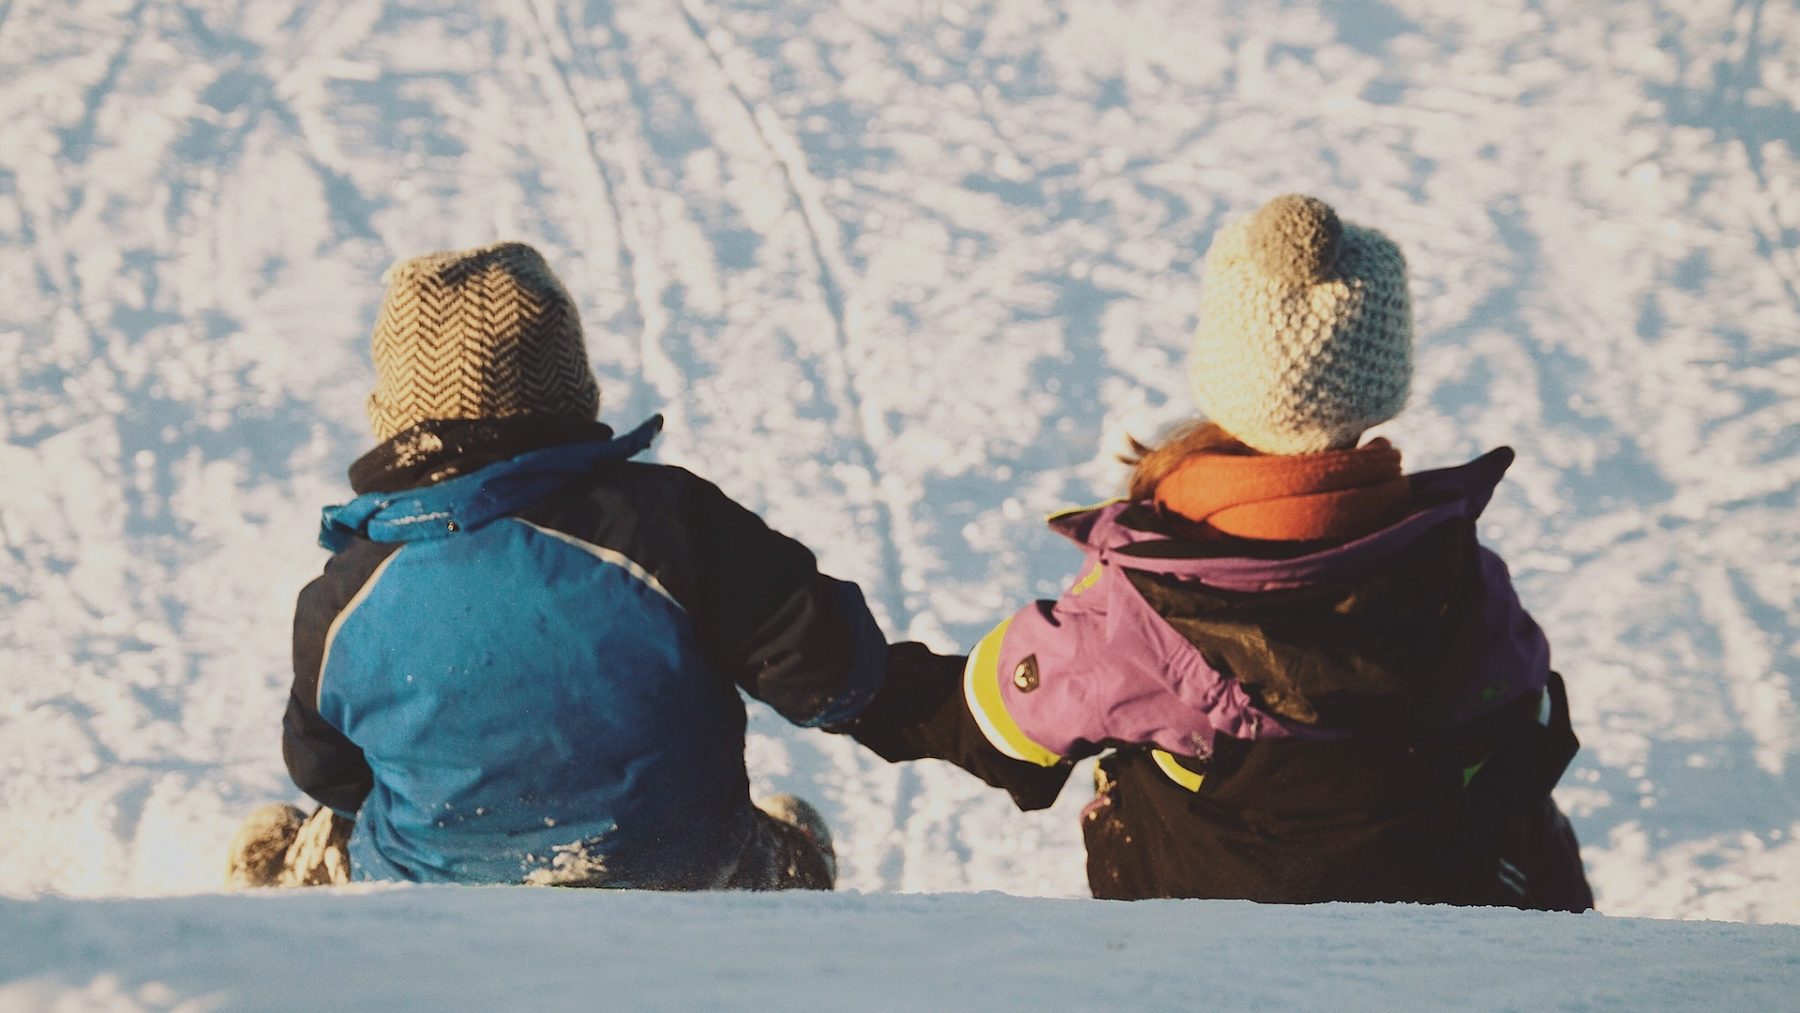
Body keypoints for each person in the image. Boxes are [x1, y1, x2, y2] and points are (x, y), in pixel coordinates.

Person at [844, 195, 1595, 910]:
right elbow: (1525, 728)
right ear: (1381, 378)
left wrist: (836, 673)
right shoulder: (1464, 582)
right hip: (1434, 910)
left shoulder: (1137, 617)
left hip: (1208, 935)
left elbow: (992, 720)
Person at [225, 242, 883, 891]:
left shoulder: (346, 593)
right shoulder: (669, 525)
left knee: (346, 819)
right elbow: (829, 672)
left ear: (395, 414)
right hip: (682, 878)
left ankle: (299, 873)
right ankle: (793, 872)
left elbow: (324, 770)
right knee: (778, 837)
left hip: (435, 891)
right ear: (572, 387)